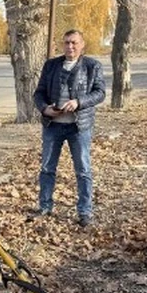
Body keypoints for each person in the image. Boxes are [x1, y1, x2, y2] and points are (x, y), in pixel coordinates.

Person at [30, 29, 106, 227]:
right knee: (47, 168)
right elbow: (38, 93)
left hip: (79, 126)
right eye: (66, 43)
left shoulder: (92, 66)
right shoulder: (51, 65)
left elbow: (100, 93)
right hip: (52, 126)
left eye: (74, 43)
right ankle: (45, 206)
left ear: (82, 45)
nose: (70, 47)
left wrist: (79, 102)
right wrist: (45, 108)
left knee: (83, 169)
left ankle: (85, 211)